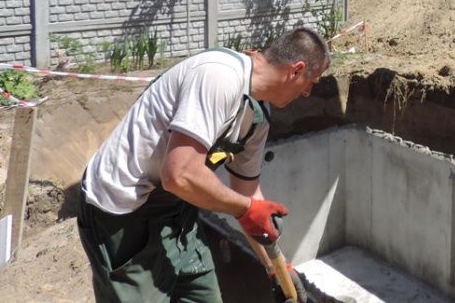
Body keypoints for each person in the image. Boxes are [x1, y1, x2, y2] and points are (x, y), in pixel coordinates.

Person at [78, 27, 329, 302]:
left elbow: (248, 194)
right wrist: (245, 209)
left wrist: (276, 266)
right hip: (122, 211)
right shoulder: (219, 76)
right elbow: (179, 174)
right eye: (311, 81)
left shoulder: (257, 116)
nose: (308, 92)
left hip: (176, 210)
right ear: (296, 70)